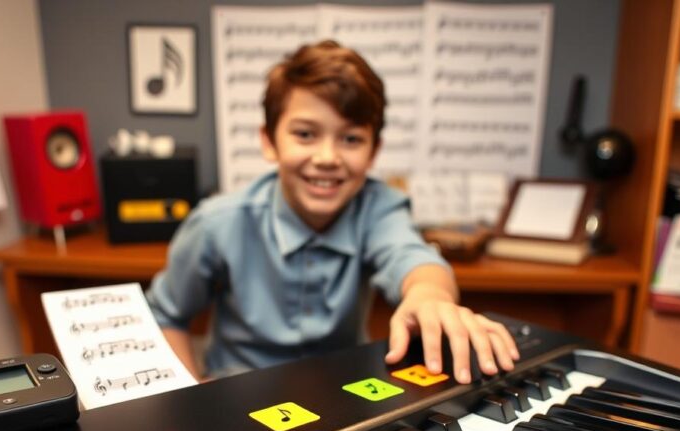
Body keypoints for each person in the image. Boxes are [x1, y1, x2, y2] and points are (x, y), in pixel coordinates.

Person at [147, 40, 518, 384]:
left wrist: (431, 296)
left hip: (343, 398)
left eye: (351, 139)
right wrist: (193, 394)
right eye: (305, 134)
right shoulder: (217, 222)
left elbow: (413, 257)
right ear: (269, 141)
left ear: (373, 151)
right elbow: (167, 315)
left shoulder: (377, 207)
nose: (327, 158)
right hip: (237, 395)